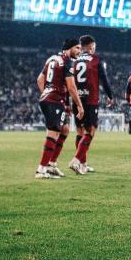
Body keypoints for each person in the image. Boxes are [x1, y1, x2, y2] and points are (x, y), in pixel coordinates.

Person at [35, 38, 84, 179]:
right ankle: (41, 169)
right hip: (54, 100)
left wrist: (46, 93)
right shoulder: (67, 61)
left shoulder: (52, 59)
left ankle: (51, 164)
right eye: (77, 48)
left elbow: (40, 79)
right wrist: (80, 106)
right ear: (69, 48)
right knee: (53, 133)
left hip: (52, 99)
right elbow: (71, 86)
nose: (79, 51)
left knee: (65, 129)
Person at [69, 35, 114, 175]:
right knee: (91, 131)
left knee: (80, 132)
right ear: (90, 47)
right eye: (94, 46)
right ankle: (76, 160)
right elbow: (104, 80)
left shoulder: (73, 60)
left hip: (77, 100)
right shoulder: (95, 59)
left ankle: (83, 164)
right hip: (90, 100)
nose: (94, 49)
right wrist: (110, 95)